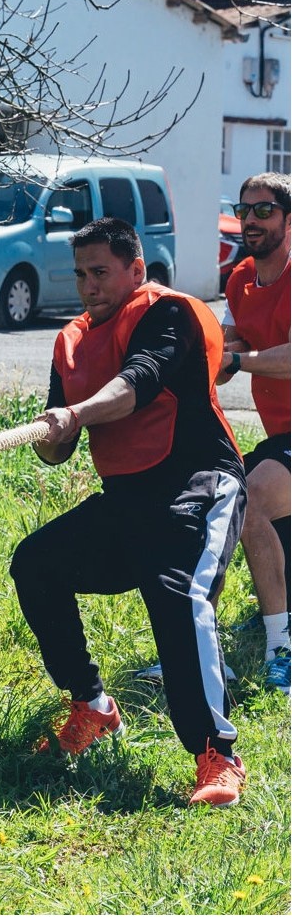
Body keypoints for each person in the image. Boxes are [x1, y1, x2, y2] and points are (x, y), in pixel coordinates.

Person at [9, 217, 248, 807]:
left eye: (101, 272)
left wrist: (76, 415)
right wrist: (49, 435)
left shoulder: (167, 314)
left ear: (135, 270)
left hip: (199, 485)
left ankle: (217, 755)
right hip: (130, 503)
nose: (90, 286)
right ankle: (93, 705)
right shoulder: (70, 341)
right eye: (81, 274)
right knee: (36, 563)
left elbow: (135, 385)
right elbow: (58, 448)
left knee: (177, 596)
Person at [218, 171, 290, 695]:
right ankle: (204, 641)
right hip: (279, 432)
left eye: (264, 211)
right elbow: (232, 338)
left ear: (289, 218)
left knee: (247, 500)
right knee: (224, 503)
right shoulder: (239, 278)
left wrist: (238, 360)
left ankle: (280, 648)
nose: (251, 221)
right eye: (244, 211)